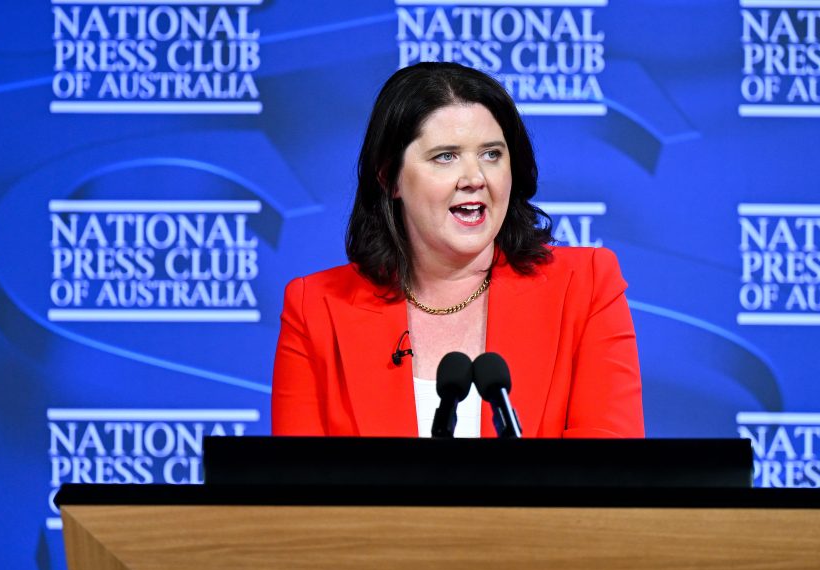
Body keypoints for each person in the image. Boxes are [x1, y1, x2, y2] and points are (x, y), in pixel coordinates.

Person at [272, 61, 643, 438]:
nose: (475, 178)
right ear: (389, 177)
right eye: (445, 156)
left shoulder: (586, 286)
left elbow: (607, 466)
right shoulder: (315, 309)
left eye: (491, 154)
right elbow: (298, 475)